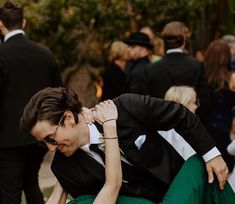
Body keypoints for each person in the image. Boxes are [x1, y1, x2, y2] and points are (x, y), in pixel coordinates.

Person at [20, 87, 228, 203]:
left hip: (178, 178)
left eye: (50, 138)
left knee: (209, 172)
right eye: (43, 144)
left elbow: (181, 115)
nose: (50, 148)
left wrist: (213, 154)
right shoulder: (63, 167)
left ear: (68, 118)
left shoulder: (126, 107)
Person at [0, 1, 62, 204]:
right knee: (31, 183)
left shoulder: (2, 55)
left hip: (7, 138)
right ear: (24, 23)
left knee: (10, 190)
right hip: (39, 135)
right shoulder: (45, 54)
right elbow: (58, 94)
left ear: (1, 25)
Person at [142, 21, 210, 129]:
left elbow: (146, 103)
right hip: (191, 126)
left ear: (164, 42)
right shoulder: (196, 66)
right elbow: (205, 99)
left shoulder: (151, 69)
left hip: (161, 126)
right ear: (183, 41)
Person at [204, 39, 235, 172]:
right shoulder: (231, 78)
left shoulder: (202, 76)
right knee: (227, 161)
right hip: (226, 123)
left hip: (206, 123)